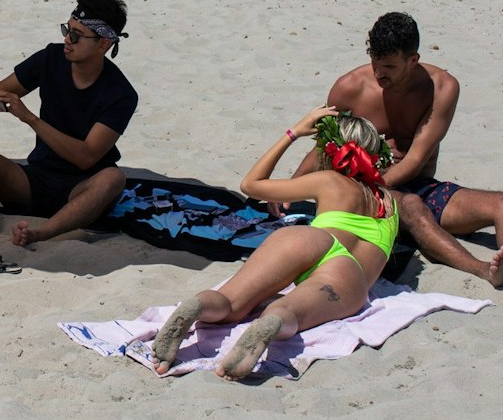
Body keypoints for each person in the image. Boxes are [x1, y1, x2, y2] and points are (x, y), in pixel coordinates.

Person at [301, 12, 503, 288]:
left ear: (413, 60)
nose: (378, 73)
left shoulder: (441, 87)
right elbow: (325, 145)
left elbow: (416, 159)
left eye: (388, 66)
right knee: (411, 206)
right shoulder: (350, 88)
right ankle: (484, 271)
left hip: (418, 183)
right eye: (374, 62)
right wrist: (293, 186)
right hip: (366, 190)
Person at [150, 107, 400, 380]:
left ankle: (199, 305)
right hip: (349, 275)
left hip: (308, 240)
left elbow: (251, 184)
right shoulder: (390, 205)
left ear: (329, 151)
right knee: (287, 312)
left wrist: (293, 133)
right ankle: (273, 321)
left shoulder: (328, 181)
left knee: (232, 301)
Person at [0, 0, 138, 247]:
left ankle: (39, 234)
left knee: (113, 178)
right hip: (35, 180)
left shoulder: (121, 94)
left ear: (104, 44)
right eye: (66, 30)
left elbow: (86, 157)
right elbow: (1, 93)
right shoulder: (50, 58)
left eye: (77, 36)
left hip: (81, 190)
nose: (67, 39)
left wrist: (30, 118)